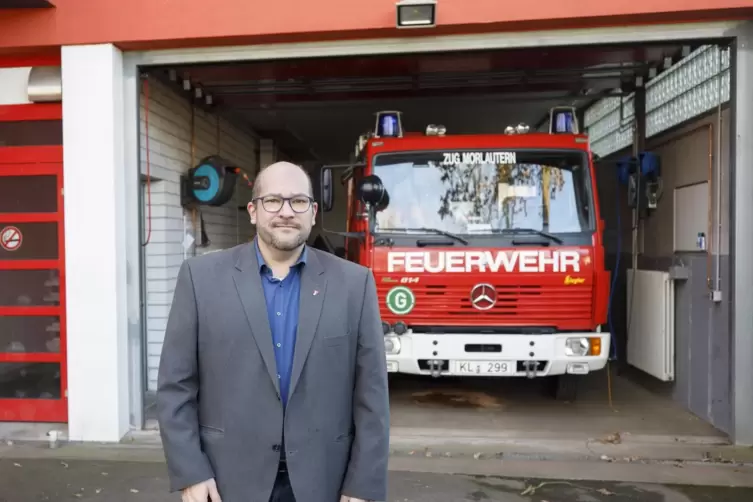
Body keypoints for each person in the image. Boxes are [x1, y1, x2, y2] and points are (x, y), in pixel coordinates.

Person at [156, 161, 390, 502]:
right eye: (273, 201)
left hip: (326, 481)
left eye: (298, 201)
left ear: (312, 212)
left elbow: (372, 398)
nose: (286, 212)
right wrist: (191, 471)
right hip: (226, 481)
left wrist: (363, 485)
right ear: (253, 211)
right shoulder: (200, 279)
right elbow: (175, 387)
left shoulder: (354, 284)